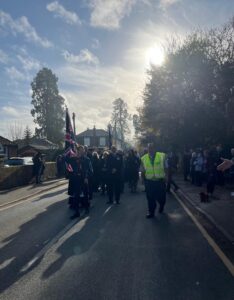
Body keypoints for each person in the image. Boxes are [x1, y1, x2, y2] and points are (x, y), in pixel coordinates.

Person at [141, 142, 167, 218]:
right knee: (150, 198)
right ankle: (151, 212)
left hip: (160, 181)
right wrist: (142, 179)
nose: (150, 149)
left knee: (162, 198)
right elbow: (142, 170)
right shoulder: (143, 158)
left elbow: (166, 167)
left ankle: (161, 205)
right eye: (149, 148)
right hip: (149, 182)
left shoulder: (161, 156)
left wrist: (167, 177)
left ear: (155, 148)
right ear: (147, 148)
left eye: (152, 148)